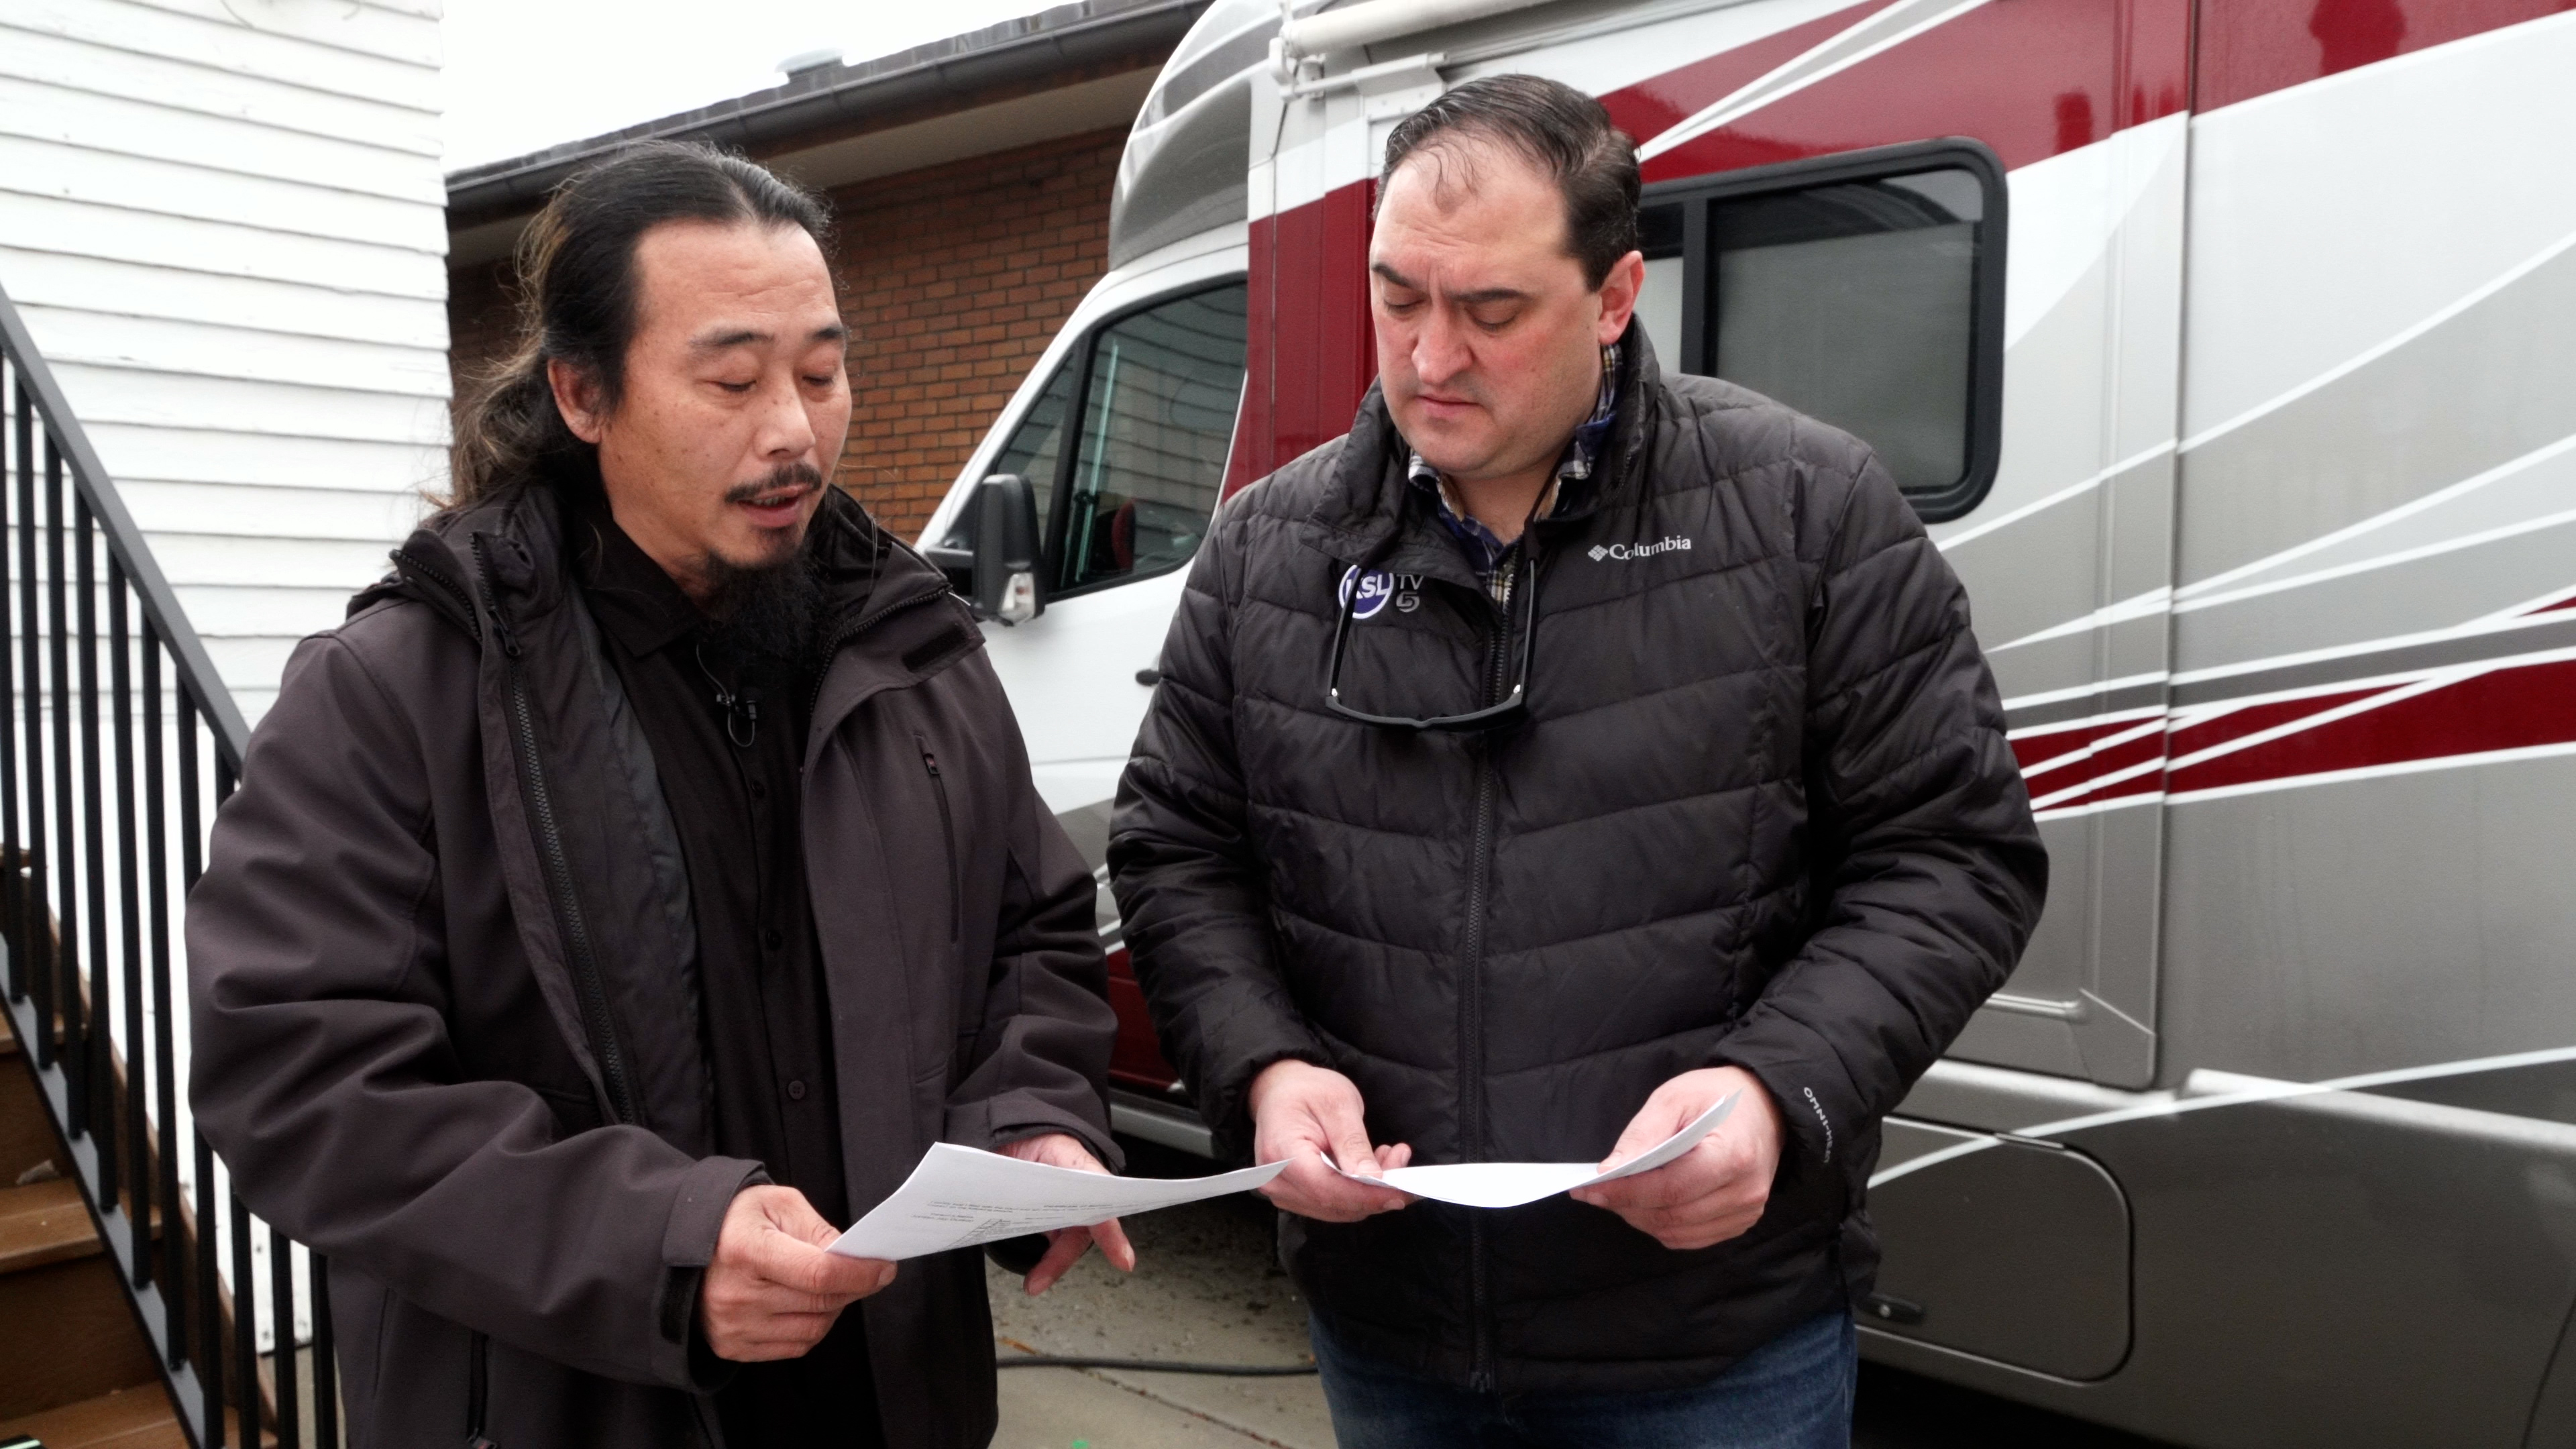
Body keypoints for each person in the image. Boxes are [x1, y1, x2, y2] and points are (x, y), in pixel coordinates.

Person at [1108, 74, 2047, 1447]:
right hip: (1391, 1327)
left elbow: (1953, 856)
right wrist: (1261, 1067)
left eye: (1492, 312)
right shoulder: (1269, 550)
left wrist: (1776, 1089)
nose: (1431, 356)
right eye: (1397, 298)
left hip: (1715, 1343)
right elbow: (1177, 849)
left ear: (1615, 297)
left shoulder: (1806, 510)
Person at [187, 142, 1128, 1449]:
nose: (792, 429)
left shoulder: (915, 650)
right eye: (733, 380)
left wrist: (1029, 1114)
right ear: (583, 394)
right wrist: (660, 1245)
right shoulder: (401, 692)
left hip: (887, 1398)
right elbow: (299, 1077)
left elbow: (1031, 934)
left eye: (821, 372)